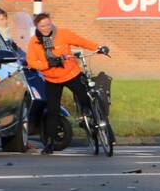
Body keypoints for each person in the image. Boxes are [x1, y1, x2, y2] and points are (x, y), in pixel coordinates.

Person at [26, 12, 108, 154]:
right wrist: (48, 63)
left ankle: (91, 120)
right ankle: (50, 142)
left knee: (84, 98)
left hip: (71, 74)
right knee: (52, 110)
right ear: (37, 27)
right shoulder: (34, 42)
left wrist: (98, 48)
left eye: (48, 24)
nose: (46, 28)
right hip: (52, 79)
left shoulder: (63, 34)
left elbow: (80, 41)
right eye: (42, 26)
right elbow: (32, 62)